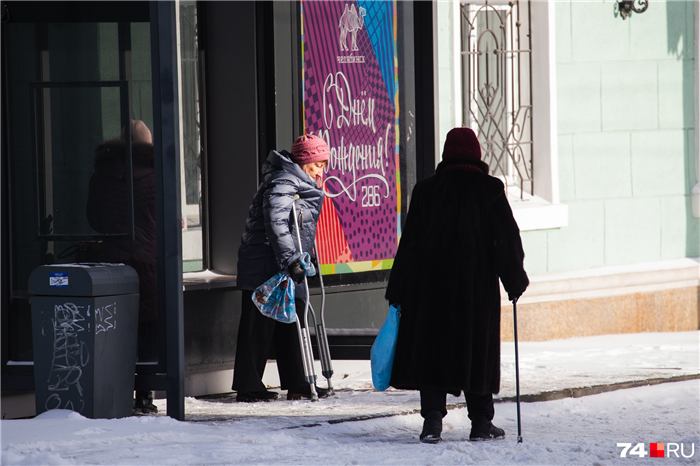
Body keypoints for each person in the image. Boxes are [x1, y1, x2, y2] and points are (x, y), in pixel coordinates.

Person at [384, 127, 529, 443]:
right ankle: (480, 424)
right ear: (477, 155)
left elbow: (409, 244)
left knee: (432, 353)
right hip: (474, 291)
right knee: (477, 352)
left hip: (429, 289)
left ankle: (432, 423)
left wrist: (398, 289)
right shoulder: (489, 189)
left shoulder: (426, 190)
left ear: (445, 155)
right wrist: (514, 279)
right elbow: (505, 239)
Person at [233, 134, 331, 402]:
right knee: (258, 322)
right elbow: (276, 222)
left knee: (292, 318)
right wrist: (290, 260)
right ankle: (248, 386)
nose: (320, 171)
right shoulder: (284, 181)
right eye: (317, 165)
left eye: (323, 165)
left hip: (283, 262)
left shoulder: (296, 180)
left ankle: (298, 382)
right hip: (266, 263)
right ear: (304, 161)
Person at [86, 120, 159, 415]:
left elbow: (94, 219)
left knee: (115, 329)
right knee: (149, 330)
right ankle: (144, 394)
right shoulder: (157, 176)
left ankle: (115, 389)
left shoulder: (101, 175)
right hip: (150, 263)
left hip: (113, 262)